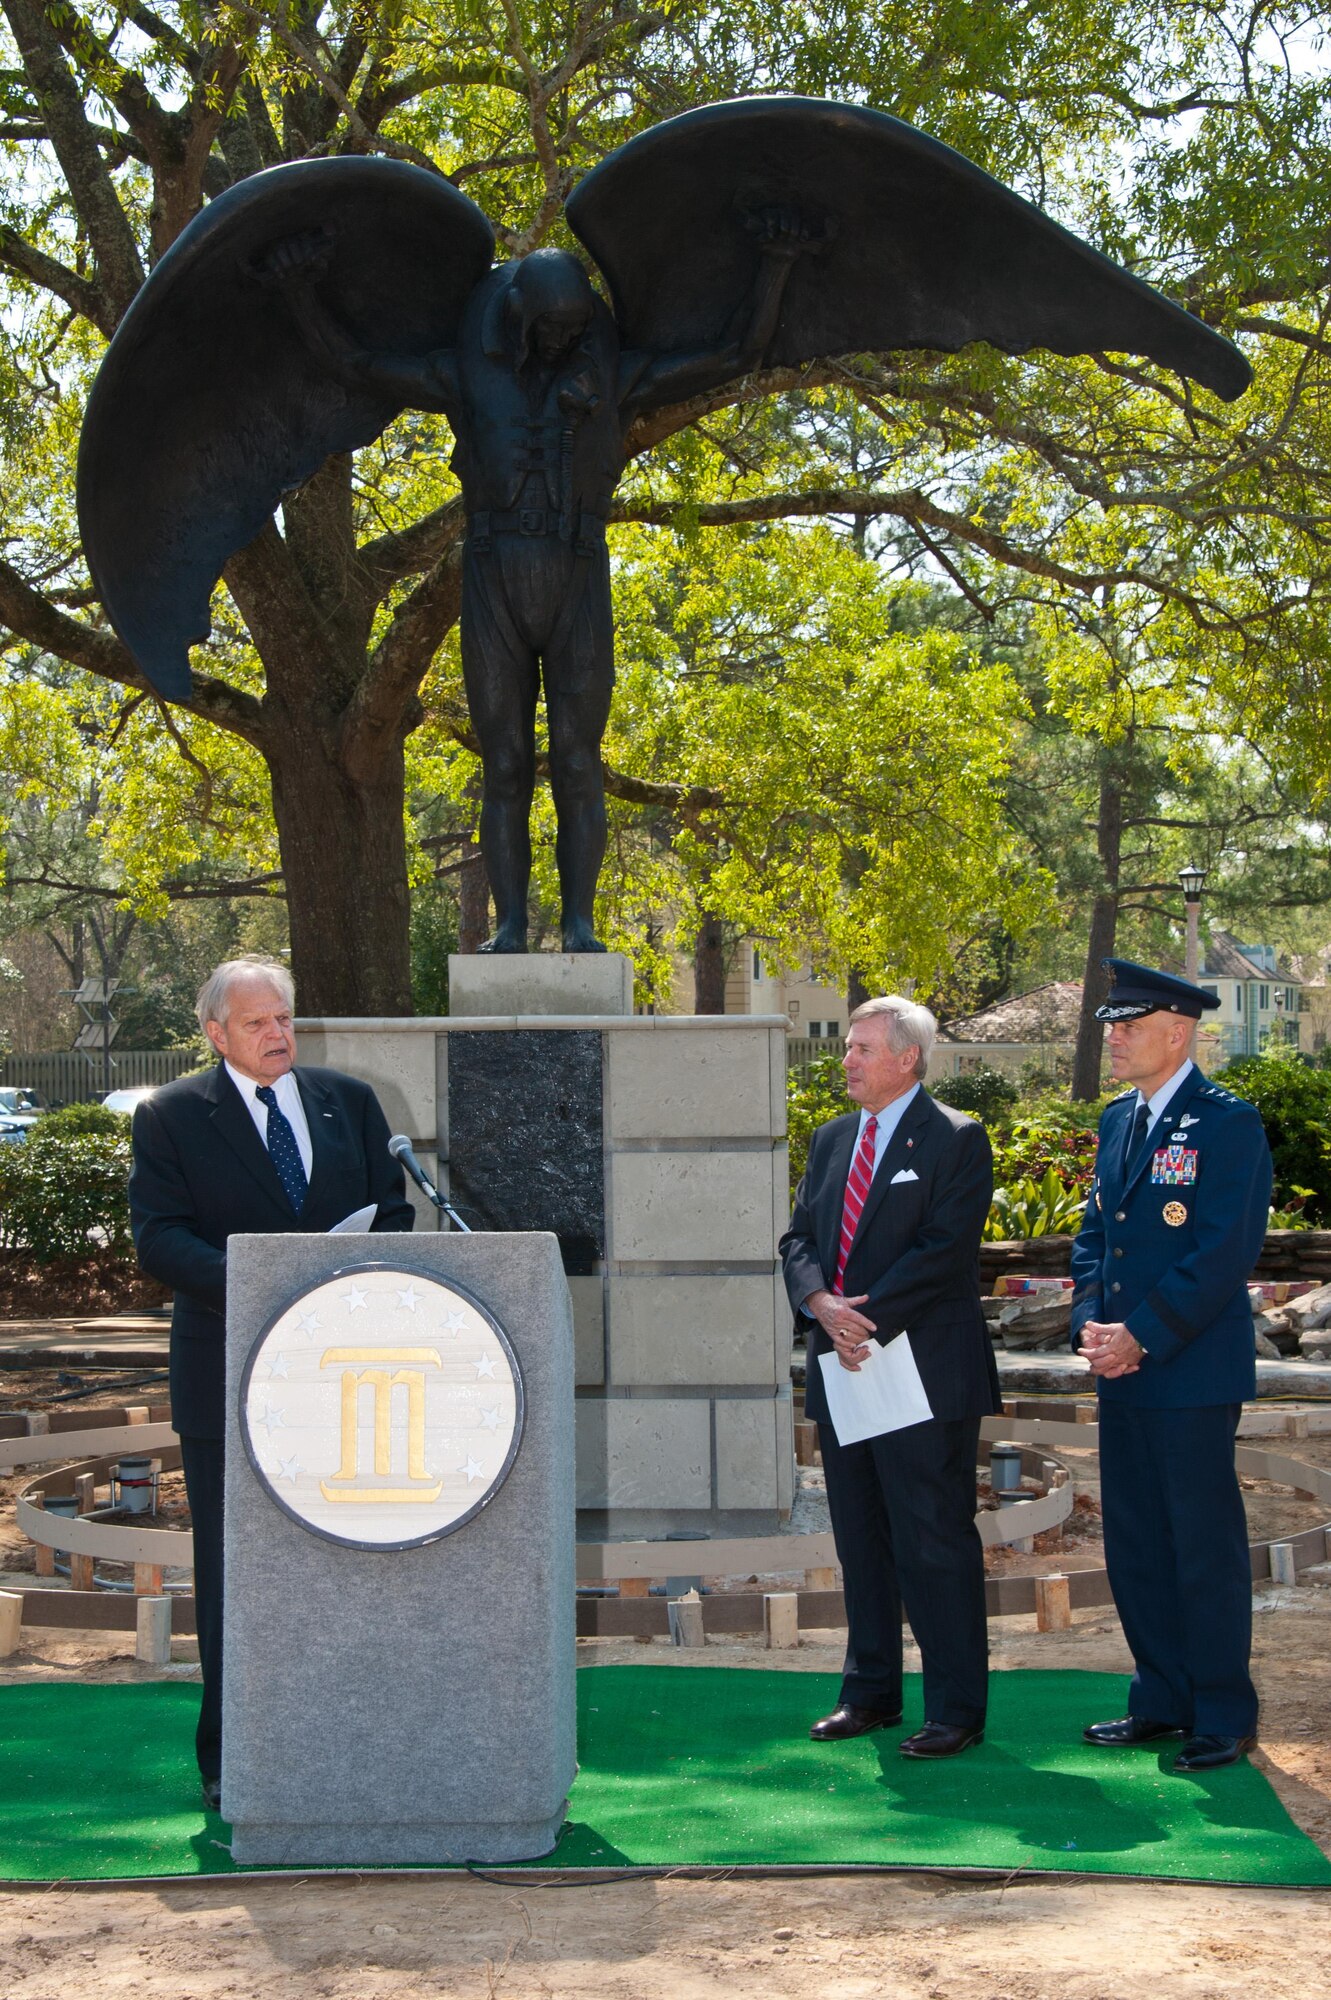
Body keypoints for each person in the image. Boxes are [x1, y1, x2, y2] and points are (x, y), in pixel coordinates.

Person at [262, 223, 810, 953]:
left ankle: (580, 925)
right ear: (519, 318)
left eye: (574, 329)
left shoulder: (613, 374)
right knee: (506, 764)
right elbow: (358, 363)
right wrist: (300, 289)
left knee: (580, 760)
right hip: (494, 577)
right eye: (549, 328)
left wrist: (774, 262)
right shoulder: (465, 373)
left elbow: (737, 352)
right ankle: (513, 925)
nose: (561, 341)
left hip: (577, 572)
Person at [129, 956, 415, 1810]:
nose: (278, 1034)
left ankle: (347, 1738)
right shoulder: (173, 1116)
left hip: (348, 1378)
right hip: (229, 1371)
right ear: (216, 1033)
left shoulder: (348, 1103)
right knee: (233, 1573)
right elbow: (158, 1239)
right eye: (257, 1023)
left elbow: (392, 1213)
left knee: (344, 1559)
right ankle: (232, 1758)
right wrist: (259, 1282)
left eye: (284, 1018)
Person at [780, 996, 998, 1758]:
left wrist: (858, 1320)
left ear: (907, 1058)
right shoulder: (832, 1138)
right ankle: (869, 1691)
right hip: (843, 1369)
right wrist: (815, 1301)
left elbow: (943, 1249)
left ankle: (955, 1708)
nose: (846, 1060)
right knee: (861, 1537)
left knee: (933, 1539)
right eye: (847, 1047)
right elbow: (799, 1235)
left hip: (920, 1368)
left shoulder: (956, 1139)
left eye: (861, 1048)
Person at [1071, 958, 1272, 1771]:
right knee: (1136, 1541)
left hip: (1185, 1367)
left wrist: (1141, 1335)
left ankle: (1221, 1709)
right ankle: (1159, 1695)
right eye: (1111, 1026)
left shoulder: (1226, 1123)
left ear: (1177, 1032)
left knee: (1200, 1541)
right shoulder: (1119, 1120)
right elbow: (1095, 1238)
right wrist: (1092, 1325)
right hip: (1120, 1367)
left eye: (1127, 1026)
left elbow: (1221, 1251)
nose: (1113, 1039)